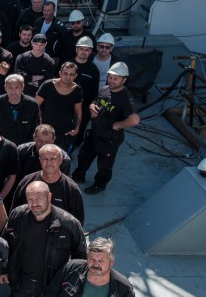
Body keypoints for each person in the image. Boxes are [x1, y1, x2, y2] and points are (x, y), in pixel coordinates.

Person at [0, 180, 86, 297]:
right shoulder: (17, 215)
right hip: (21, 278)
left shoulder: (69, 224)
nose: (34, 203)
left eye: (39, 198)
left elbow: (81, 261)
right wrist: (4, 269)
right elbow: (6, 244)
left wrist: (71, 288)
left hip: (50, 285)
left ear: (49, 197)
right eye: (30, 199)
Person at [72, 62, 141, 194]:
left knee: (104, 165)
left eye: (116, 79)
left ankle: (99, 185)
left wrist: (118, 125)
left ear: (124, 80)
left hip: (109, 139)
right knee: (84, 155)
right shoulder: (105, 89)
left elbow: (135, 120)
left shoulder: (126, 99)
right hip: (95, 133)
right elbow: (95, 101)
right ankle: (78, 175)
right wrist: (91, 107)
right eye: (110, 77)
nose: (112, 81)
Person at [13, 143, 85, 224]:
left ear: (61, 160)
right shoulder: (26, 182)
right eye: (45, 159)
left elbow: (77, 222)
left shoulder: (71, 189)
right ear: (40, 160)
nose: (49, 162)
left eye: (53, 159)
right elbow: (15, 213)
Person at [35, 62, 84, 152]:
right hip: (46, 132)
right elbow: (35, 105)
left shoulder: (77, 89)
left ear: (75, 76)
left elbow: (78, 110)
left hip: (65, 133)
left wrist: (76, 129)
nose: (68, 77)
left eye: (71, 74)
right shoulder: (48, 85)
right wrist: (40, 125)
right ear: (60, 73)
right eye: (65, 73)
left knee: (59, 158)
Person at [0, 73, 41, 146]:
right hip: (1, 145)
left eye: (17, 88)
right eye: (10, 88)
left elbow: (36, 129)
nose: (13, 92)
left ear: (22, 87)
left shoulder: (32, 104)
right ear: (5, 88)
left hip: (25, 146)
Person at [72, 36, 101, 140]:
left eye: (87, 49)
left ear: (90, 52)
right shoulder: (67, 65)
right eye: (81, 49)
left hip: (84, 107)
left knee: (79, 132)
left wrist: (91, 105)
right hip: (66, 103)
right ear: (76, 49)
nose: (84, 52)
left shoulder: (94, 70)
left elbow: (95, 92)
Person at [13, 32, 56, 97]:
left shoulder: (50, 61)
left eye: (41, 45)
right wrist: (37, 77)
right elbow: (19, 76)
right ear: (32, 43)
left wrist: (29, 80)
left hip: (41, 94)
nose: (38, 47)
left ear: (45, 45)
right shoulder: (21, 58)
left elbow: (48, 80)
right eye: (36, 44)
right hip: (23, 93)